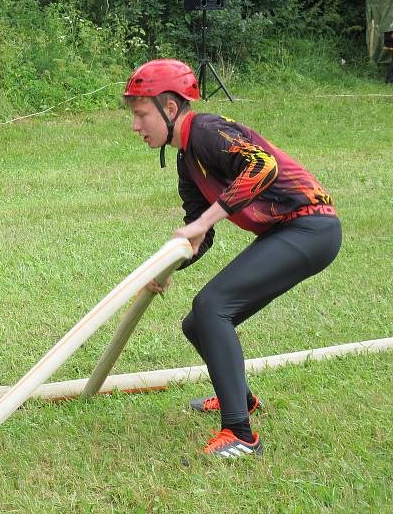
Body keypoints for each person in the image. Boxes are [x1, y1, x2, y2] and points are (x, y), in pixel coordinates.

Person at [123, 59, 341, 457]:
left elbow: (263, 166)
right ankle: (239, 398)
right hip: (287, 231)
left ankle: (241, 434)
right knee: (196, 324)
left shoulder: (206, 131)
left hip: (312, 227)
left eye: (140, 115)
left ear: (170, 109)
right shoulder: (187, 159)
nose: (135, 126)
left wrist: (205, 218)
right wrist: (168, 266)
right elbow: (198, 232)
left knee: (212, 307)